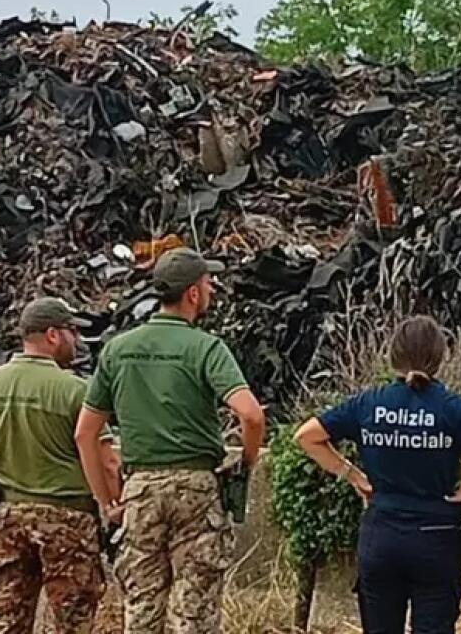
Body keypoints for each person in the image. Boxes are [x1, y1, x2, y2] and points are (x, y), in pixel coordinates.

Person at [74, 247, 266, 634]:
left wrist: (107, 500)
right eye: (208, 283)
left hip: (141, 490)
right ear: (193, 293)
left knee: (142, 609)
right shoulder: (206, 348)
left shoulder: (117, 350)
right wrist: (245, 462)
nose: (211, 289)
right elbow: (251, 414)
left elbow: (85, 433)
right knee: (191, 611)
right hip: (196, 489)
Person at [294, 315, 461, 634]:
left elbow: (307, 436)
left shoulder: (369, 404)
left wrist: (352, 475)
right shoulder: (453, 408)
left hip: (382, 536)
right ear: (440, 358)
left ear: (393, 355)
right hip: (437, 539)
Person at [0, 297, 121, 634]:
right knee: (71, 621)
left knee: (7, 618)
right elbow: (107, 460)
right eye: (71, 333)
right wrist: (113, 506)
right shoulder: (77, 391)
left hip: (9, 518)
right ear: (53, 335)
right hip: (67, 519)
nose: (77, 342)